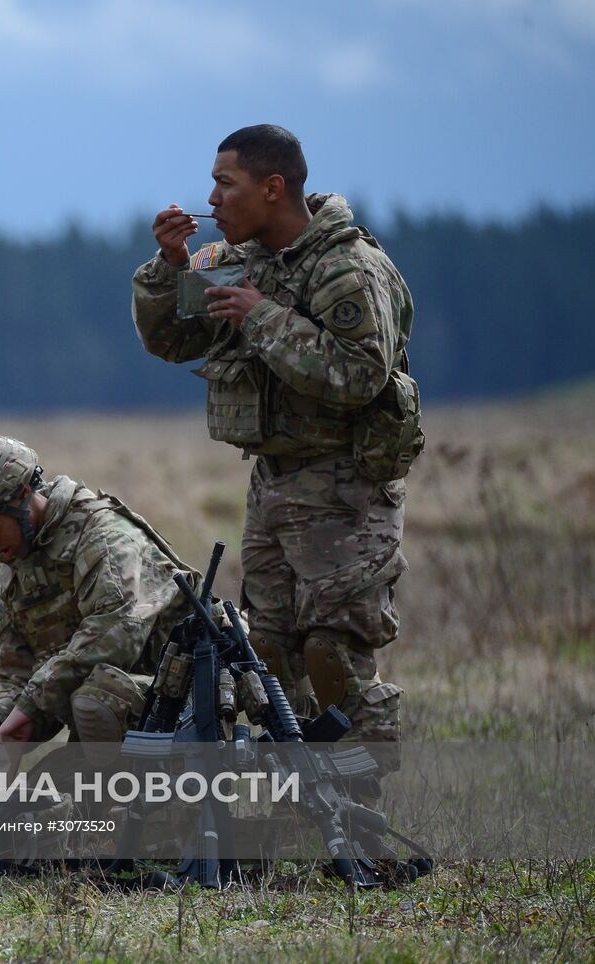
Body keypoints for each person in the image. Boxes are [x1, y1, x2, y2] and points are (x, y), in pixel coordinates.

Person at [131, 124, 418, 743]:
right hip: (272, 487)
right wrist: (171, 267)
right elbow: (169, 340)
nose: (210, 200)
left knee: (333, 654)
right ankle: (295, 815)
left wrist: (262, 317)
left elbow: (360, 376)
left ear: (272, 188)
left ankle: (357, 820)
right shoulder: (240, 264)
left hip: (346, 490)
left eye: (224, 184)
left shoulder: (349, 271)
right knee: (269, 659)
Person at [0, 434, 198, 752]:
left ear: (21, 494)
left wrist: (29, 707)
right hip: (112, 722)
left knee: (97, 698)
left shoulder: (105, 538)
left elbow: (113, 638)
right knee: (27, 802)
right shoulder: (19, 560)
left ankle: (165, 796)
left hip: (178, 708)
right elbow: (18, 671)